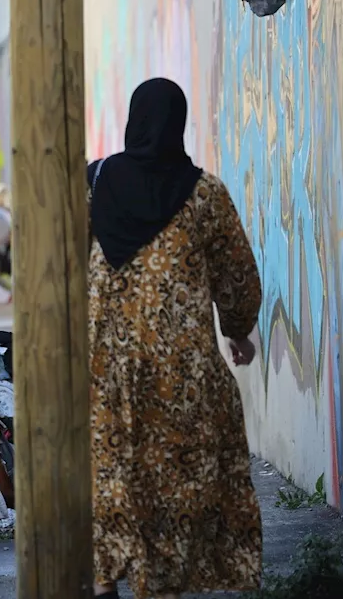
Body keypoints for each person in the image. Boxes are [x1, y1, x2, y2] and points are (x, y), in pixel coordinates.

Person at [88, 78, 262, 599]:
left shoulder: (95, 182)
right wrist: (237, 331)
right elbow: (237, 274)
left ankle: (106, 573)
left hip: (106, 363)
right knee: (175, 474)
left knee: (111, 466)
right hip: (180, 370)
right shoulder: (204, 193)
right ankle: (159, 580)